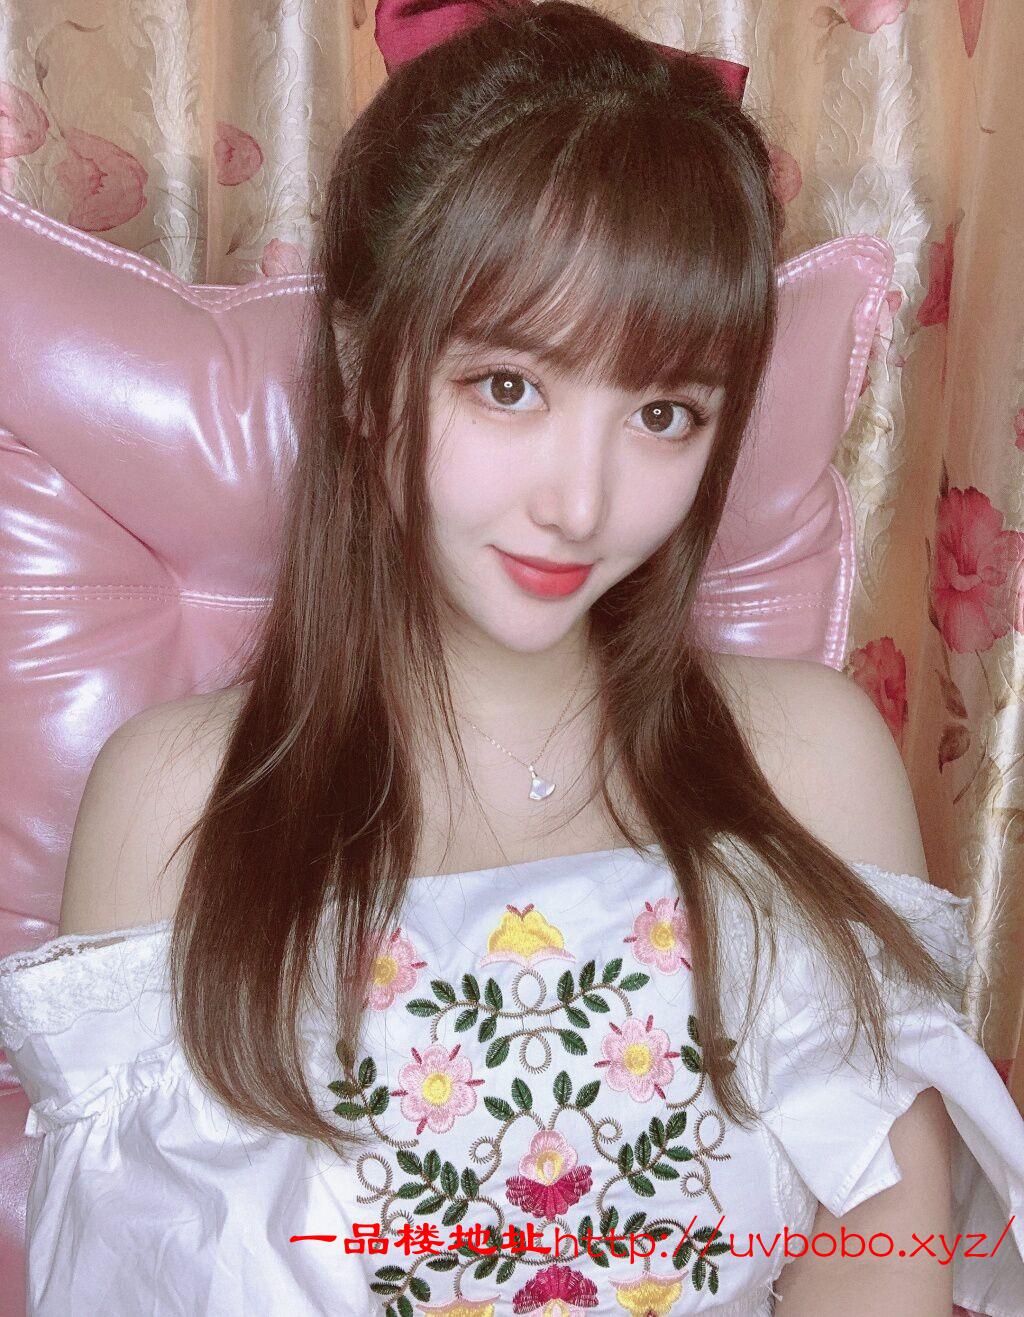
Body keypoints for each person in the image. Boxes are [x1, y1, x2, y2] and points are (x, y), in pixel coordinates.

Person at [1, 2, 1022, 1313]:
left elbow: (876, 1267)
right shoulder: (177, 802)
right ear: (363, 367)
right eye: (509, 387)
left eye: (664, 411)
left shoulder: (811, 764)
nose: (579, 504)